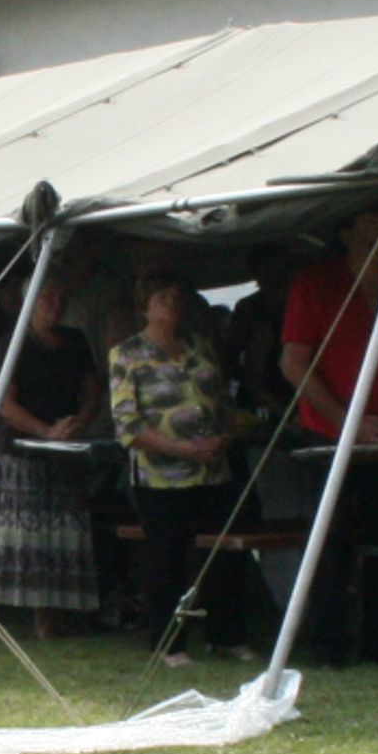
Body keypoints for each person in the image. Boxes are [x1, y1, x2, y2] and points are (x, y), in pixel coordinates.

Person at [276, 205, 378, 665]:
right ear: (346, 231)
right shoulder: (314, 283)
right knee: (330, 540)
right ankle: (328, 643)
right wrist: (346, 420)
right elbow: (294, 363)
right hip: (325, 431)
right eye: (371, 223)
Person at [109, 274, 244, 665]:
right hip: (160, 476)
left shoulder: (200, 346)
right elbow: (128, 424)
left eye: (177, 296)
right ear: (145, 306)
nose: (172, 303)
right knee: (167, 559)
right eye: (163, 297)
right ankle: (169, 643)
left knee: (221, 555)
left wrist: (223, 437)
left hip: (212, 470)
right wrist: (181, 449)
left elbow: (222, 402)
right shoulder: (127, 353)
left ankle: (226, 636)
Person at [0, 276, 105, 638]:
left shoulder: (75, 340)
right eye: (47, 297)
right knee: (24, 532)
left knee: (63, 531)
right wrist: (45, 431)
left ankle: (55, 614)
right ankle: (8, 610)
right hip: (21, 451)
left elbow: (92, 390)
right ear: (30, 300)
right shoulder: (14, 341)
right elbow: (4, 403)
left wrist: (78, 424)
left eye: (61, 297)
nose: (55, 304)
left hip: (64, 450)